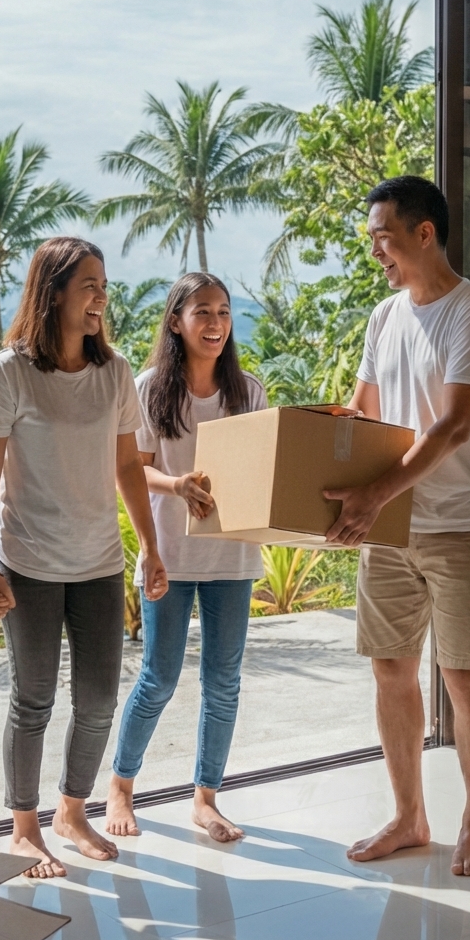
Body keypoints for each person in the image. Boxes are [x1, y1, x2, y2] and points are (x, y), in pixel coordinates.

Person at [323, 175, 470, 877]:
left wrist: (372, 494)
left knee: (463, 680)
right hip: (390, 524)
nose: (378, 253)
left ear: (424, 233)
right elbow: (362, 412)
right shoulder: (385, 316)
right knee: (391, 671)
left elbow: (454, 427)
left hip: (462, 525)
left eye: (384, 238)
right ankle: (408, 817)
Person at [0, 236, 168, 877]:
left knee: (99, 701)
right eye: (90, 286)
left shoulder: (113, 373)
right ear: (53, 291)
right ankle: (23, 827)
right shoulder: (9, 372)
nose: (101, 299)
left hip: (98, 563)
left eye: (104, 287)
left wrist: (150, 545)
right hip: (25, 562)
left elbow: (127, 468)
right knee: (32, 700)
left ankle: (71, 810)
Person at [105, 273, 266, 844]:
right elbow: (133, 469)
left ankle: (206, 798)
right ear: (176, 320)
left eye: (224, 312)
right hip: (169, 556)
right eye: (203, 312)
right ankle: (121, 787)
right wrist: (176, 486)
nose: (216, 323)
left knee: (224, 682)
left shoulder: (249, 391)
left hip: (233, 558)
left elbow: (261, 473)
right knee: (158, 678)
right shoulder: (150, 389)